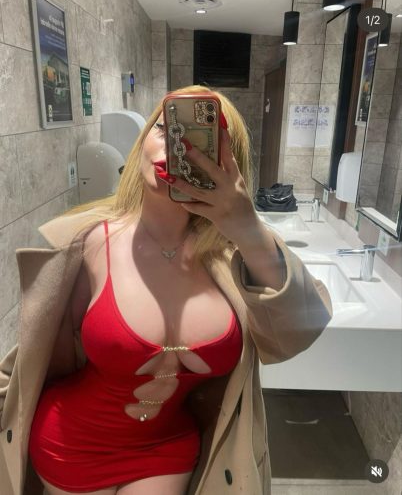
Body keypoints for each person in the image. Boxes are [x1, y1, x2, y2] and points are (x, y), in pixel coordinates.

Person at [0, 85, 332, 495]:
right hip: (72, 443)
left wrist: (248, 229)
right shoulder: (89, 244)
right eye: (166, 128)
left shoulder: (237, 258)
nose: (179, 148)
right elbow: (37, 351)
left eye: (201, 140)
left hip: (167, 448)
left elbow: (298, 334)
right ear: (142, 140)